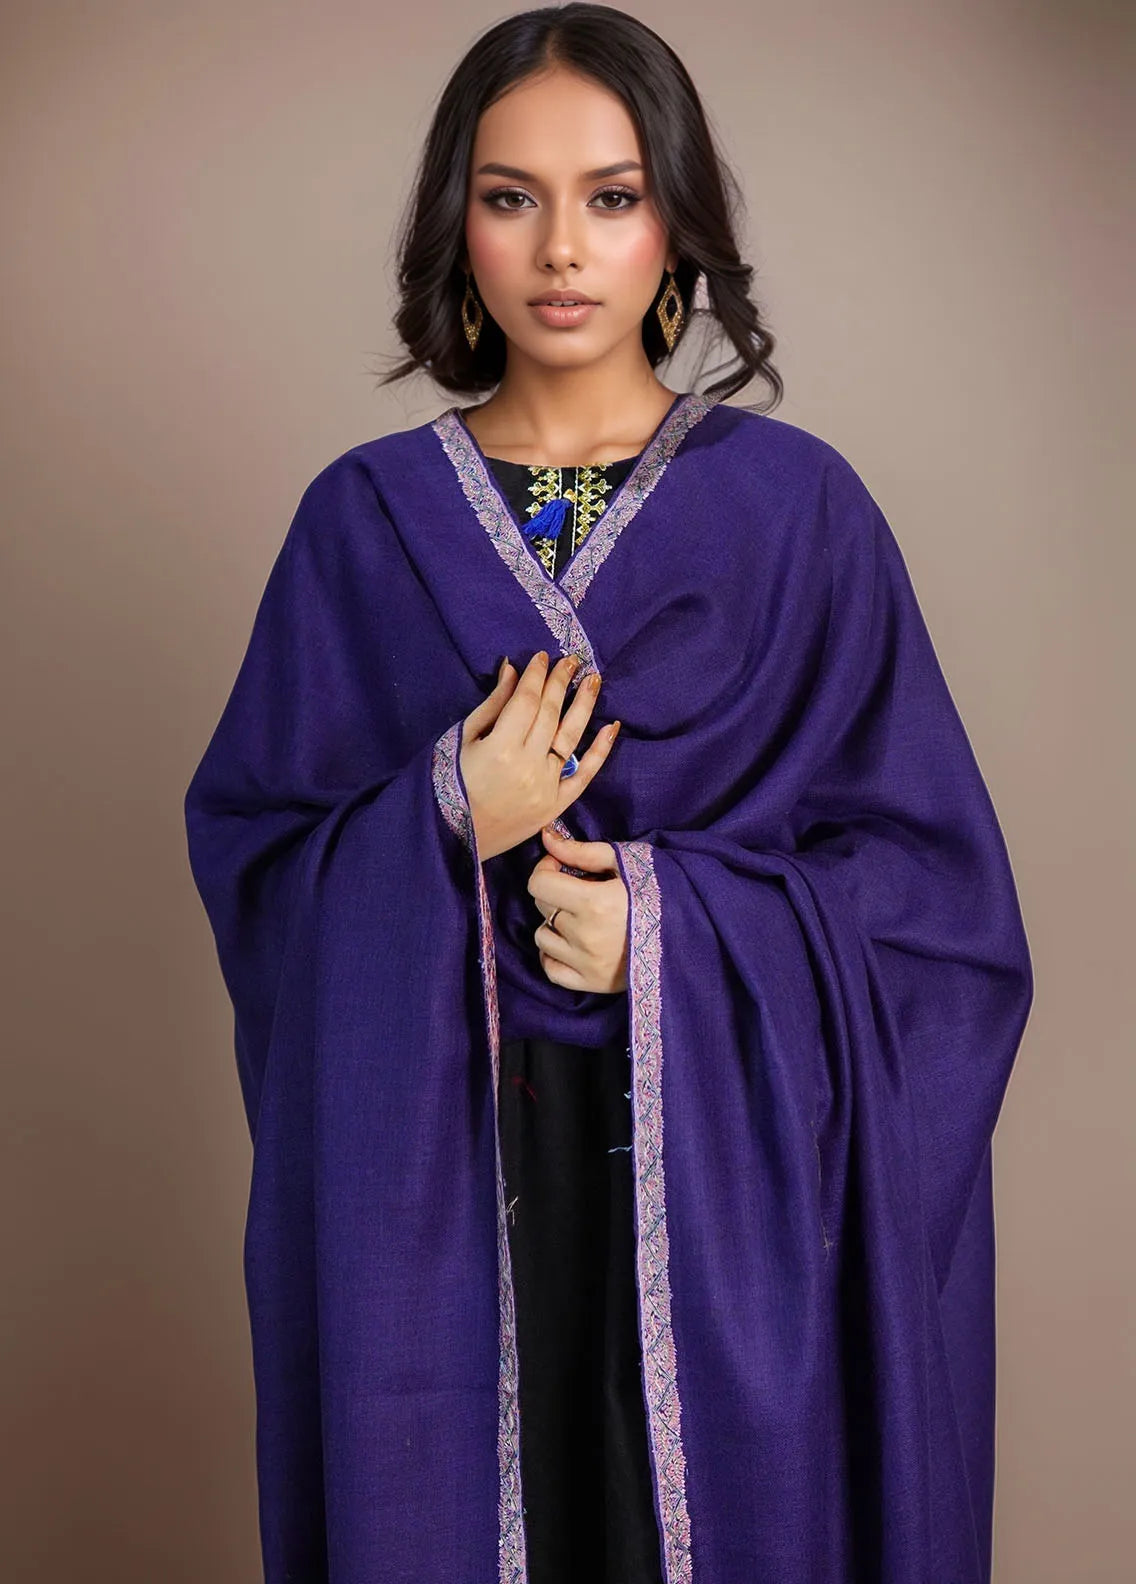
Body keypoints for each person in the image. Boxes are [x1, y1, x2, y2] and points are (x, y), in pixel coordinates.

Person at [183, 7, 1034, 1583]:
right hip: (448, 1194)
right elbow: (259, 873)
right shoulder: (361, 525)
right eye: (511, 197)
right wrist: (448, 814)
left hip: (733, 1209)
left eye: (613, 196)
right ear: (457, 224)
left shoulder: (801, 516)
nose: (561, 249)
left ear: (676, 223)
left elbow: (946, 930)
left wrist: (676, 933)